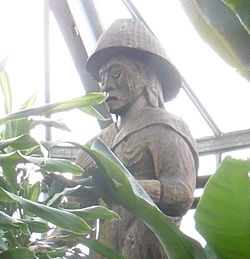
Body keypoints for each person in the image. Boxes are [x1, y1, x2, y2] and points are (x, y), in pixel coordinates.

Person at [76, 19, 199, 259]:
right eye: (102, 77)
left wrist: (125, 188)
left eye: (116, 72)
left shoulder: (164, 127)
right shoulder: (97, 144)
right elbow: (75, 210)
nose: (106, 85)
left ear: (144, 74)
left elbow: (180, 194)